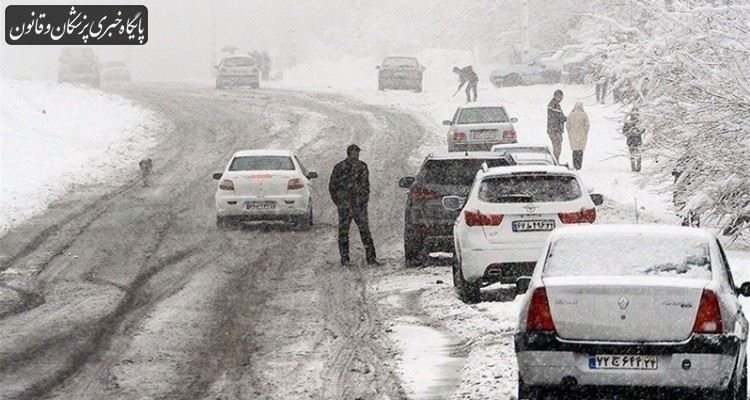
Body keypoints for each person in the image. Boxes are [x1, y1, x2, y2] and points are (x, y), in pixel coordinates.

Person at [329, 144, 379, 266]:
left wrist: (363, 198)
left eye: (357, 153)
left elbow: (366, 185)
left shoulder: (362, 167)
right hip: (345, 204)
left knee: (364, 231)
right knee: (344, 232)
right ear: (349, 153)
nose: (356, 155)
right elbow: (332, 186)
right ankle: (345, 258)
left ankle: (371, 258)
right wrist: (339, 202)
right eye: (353, 153)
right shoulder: (340, 167)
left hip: (359, 204)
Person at [566, 102, 590, 170]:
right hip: (581, 135)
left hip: (573, 135)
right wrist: (585, 132)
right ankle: (579, 165)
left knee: (574, 151)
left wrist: (570, 132)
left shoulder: (571, 115)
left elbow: (568, 125)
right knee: (580, 151)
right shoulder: (584, 115)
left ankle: (575, 164)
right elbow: (587, 125)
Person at [547, 89, 566, 162]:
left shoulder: (555, 104)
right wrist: (568, 119)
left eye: (561, 97)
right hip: (554, 129)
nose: (561, 98)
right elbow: (558, 117)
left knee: (557, 147)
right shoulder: (554, 105)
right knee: (557, 147)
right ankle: (555, 162)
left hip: (555, 129)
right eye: (559, 96)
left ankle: (556, 161)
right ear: (555, 96)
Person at [622, 108, 644, 172]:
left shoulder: (640, 122)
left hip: (638, 140)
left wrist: (638, 132)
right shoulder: (628, 123)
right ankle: (633, 167)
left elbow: (643, 129)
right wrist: (630, 132)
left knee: (639, 154)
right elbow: (624, 131)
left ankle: (638, 167)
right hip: (631, 141)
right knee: (632, 155)